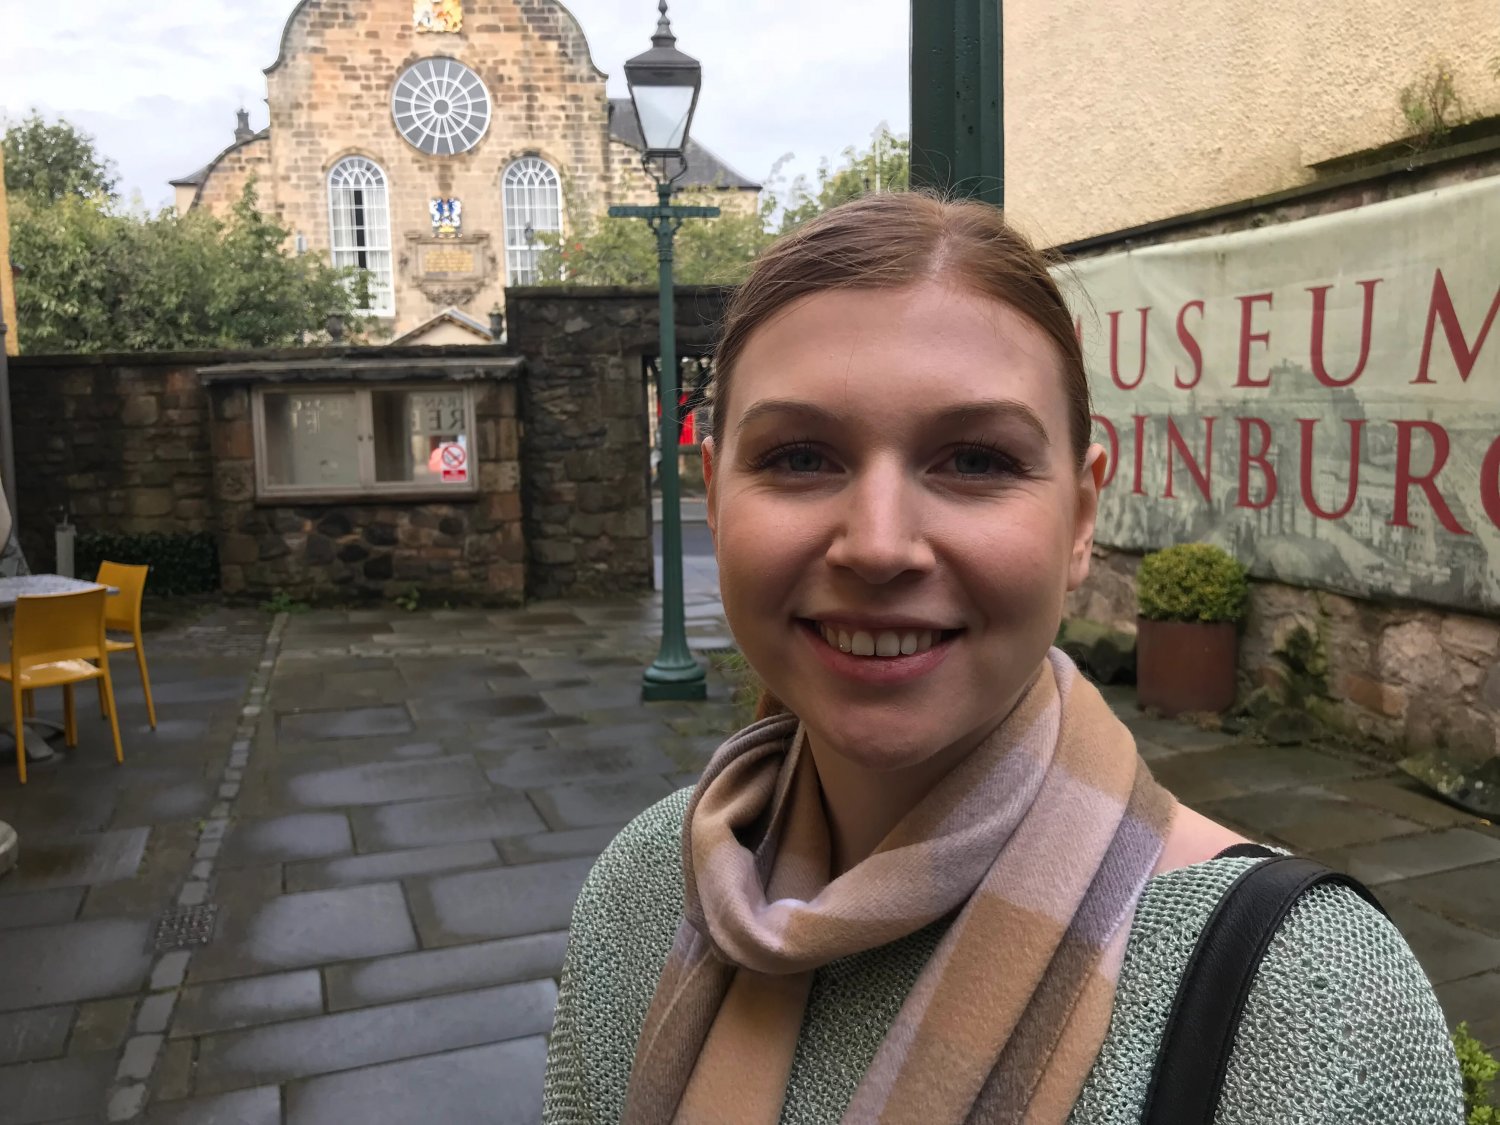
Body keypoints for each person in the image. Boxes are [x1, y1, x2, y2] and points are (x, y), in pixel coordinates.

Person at [541, 193, 1463, 1124]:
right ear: (714, 498)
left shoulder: (1309, 1002)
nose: (879, 545)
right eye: (802, 457)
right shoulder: (644, 889)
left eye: (976, 460)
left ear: (1081, 518)